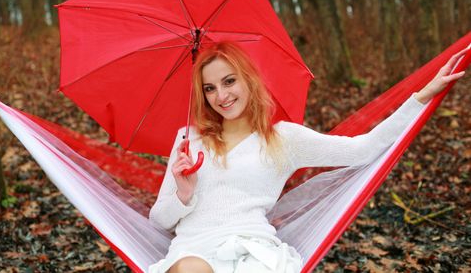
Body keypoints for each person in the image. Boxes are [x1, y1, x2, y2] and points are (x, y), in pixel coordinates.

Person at [148, 41, 468, 273]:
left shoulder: (284, 138)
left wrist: (421, 97)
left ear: (248, 79)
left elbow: (364, 149)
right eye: (210, 88)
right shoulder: (190, 141)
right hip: (193, 251)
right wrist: (183, 193)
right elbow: (160, 220)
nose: (222, 95)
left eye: (229, 81)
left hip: (252, 251)